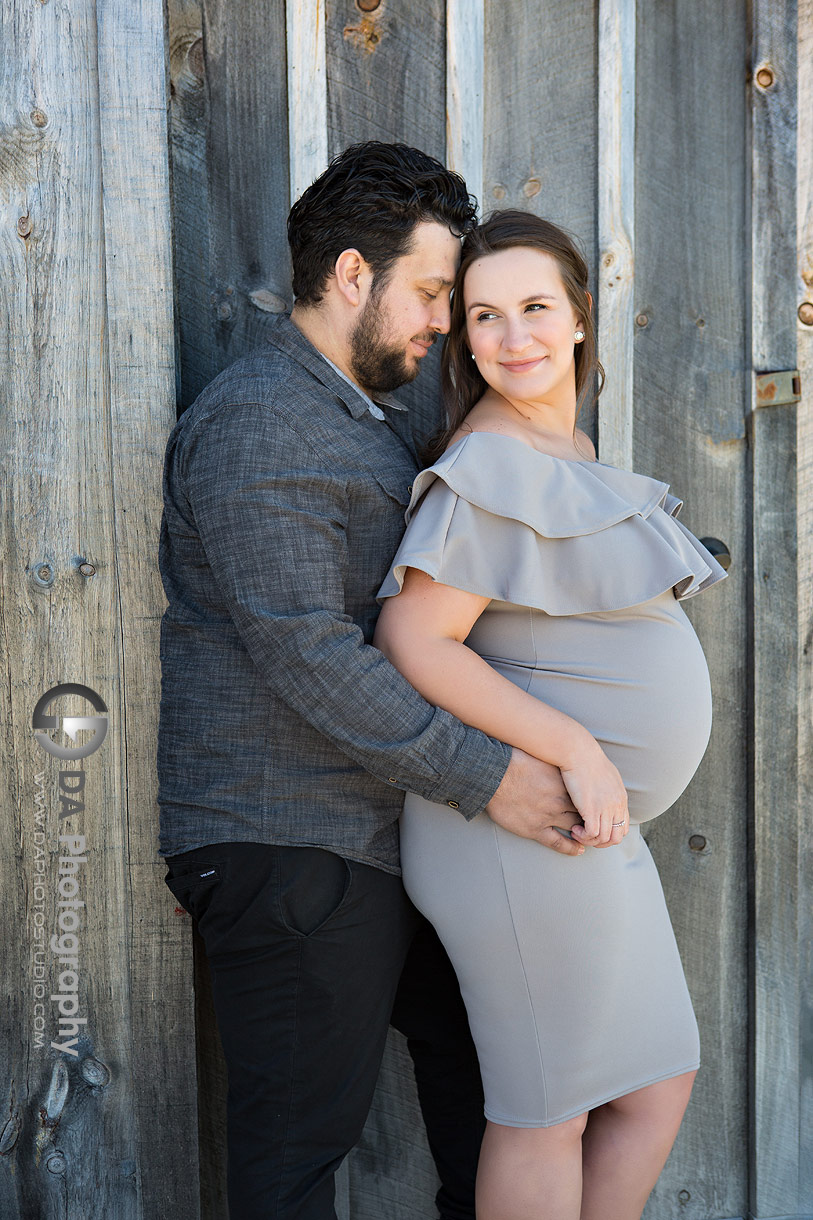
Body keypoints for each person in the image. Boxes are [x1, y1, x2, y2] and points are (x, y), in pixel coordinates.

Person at [156, 146, 591, 1220]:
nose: (447, 320)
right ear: (354, 274)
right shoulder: (263, 416)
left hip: (378, 838)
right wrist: (491, 775)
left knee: (490, 1086)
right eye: (435, 292)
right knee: (298, 1155)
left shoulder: (365, 419)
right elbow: (309, 649)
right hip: (289, 843)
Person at [374, 210, 728, 1220]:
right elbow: (415, 638)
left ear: (579, 316)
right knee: (549, 1108)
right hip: (516, 822)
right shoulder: (491, 462)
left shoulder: (560, 444)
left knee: (653, 1082)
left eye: (534, 307)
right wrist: (578, 745)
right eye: (484, 316)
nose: (511, 335)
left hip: (582, 828)